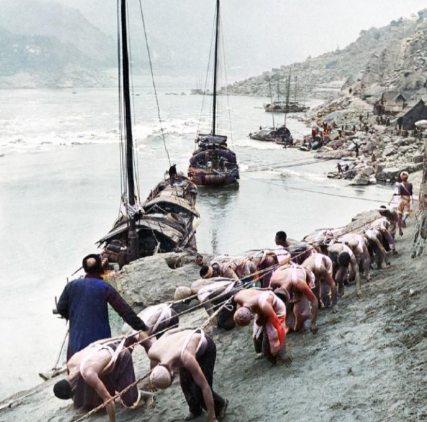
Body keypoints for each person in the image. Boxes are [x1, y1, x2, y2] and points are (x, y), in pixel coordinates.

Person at [57, 254, 147, 359]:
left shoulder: (71, 285)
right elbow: (124, 311)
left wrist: (75, 317)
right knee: (123, 359)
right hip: (100, 346)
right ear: (100, 268)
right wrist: (142, 327)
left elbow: (61, 308)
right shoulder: (104, 287)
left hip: (75, 348)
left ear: (85, 269)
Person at [148, 328, 228, 422]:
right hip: (184, 344)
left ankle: (220, 406)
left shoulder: (186, 358)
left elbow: (205, 387)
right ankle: (196, 410)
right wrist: (152, 379)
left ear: (172, 372)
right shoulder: (152, 352)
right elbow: (167, 332)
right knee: (185, 384)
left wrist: (212, 418)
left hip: (204, 348)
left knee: (199, 390)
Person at [53, 338, 142, 421]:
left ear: (73, 388)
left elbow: (108, 400)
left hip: (121, 355)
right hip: (104, 357)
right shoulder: (70, 363)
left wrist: (112, 421)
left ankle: (143, 395)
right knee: (95, 391)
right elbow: (93, 344)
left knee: (131, 403)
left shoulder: (88, 373)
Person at [233, 289, 289, 365]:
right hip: (260, 307)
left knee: (271, 344)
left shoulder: (265, 306)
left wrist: (283, 352)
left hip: (275, 309)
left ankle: (275, 354)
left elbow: (280, 328)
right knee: (256, 336)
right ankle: (262, 351)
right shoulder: (238, 297)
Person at [269, 264, 319, 332]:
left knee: (303, 313)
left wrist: (313, 323)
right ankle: (291, 325)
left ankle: (299, 324)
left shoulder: (299, 283)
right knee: (287, 314)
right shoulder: (273, 281)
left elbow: (314, 301)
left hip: (302, 276)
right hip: (287, 273)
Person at [394, 171, 413, 236]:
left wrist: (396, 194)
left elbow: (399, 194)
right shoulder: (410, 184)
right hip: (407, 199)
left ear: (401, 178)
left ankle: (400, 229)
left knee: (399, 213)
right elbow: (411, 193)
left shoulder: (399, 185)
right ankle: (404, 219)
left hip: (401, 200)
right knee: (407, 212)